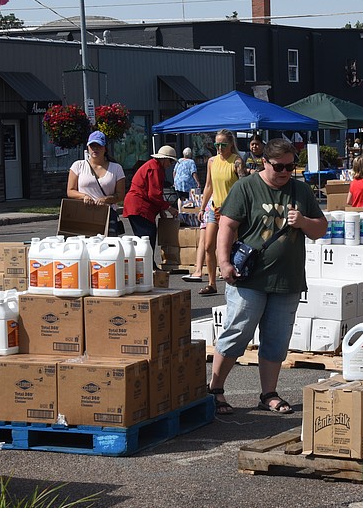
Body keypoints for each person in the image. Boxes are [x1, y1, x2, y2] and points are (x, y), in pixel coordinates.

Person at [208, 138, 327, 415]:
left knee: (276, 339)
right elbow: (226, 226)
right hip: (249, 278)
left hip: (287, 280)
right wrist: (223, 262)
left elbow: (320, 228)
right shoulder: (246, 187)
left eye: (290, 166)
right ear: (265, 162)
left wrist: (304, 222)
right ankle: (215, 389)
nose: (285, 172)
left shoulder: (301, 190)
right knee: (237, 333)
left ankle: (268, 393)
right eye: (279, 166)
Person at [192, 130, 245, 294]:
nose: (220, 148)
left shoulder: (236, 161)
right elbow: (208, 186)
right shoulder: (211, 161)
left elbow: (243, 185)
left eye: (223, 145)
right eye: (217, 145)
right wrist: (202, 206)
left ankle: (232, 280)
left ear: (231, 145)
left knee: (230, 247)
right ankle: (212, 283)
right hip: (214, 207)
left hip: (231, 210)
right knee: (208, 245)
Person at [67, 131, 127, 233]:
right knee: (84, 246)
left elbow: (121, 195)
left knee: (109, 246)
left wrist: (106, 199)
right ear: (88, 148)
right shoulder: (78, 165)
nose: (95, 149)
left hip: (107, 213)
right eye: (92, 146)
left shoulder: (116, 168)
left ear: (105, 148)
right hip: (83, 214)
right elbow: (70, 191)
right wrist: (83, 196)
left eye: (99, 146)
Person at [124, 145, 179, 253]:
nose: (170, 165)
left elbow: (155, 193)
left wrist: (161, 209)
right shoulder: (154, 168)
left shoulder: (155, 166)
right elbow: (154, 194)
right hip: (139, 206)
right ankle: (147, 265)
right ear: (164, 159)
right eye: (170, 161)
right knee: (146, 237)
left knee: (149, 236)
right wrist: (168, 208)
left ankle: (149, 265)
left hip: (140, 206)